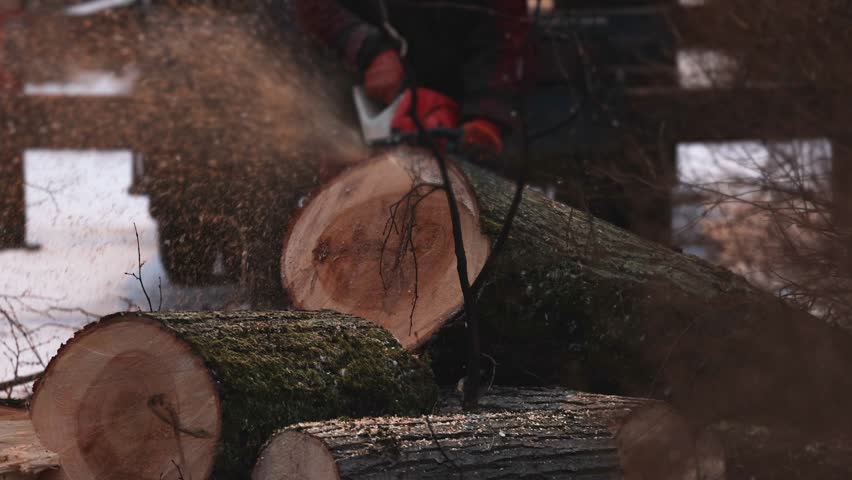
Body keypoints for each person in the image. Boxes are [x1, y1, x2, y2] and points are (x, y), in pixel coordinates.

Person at [292, 0, 529, 157]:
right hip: (343, 80)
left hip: (454, 90)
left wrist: (486, 118)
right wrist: (370, 50)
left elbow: (505, 39)